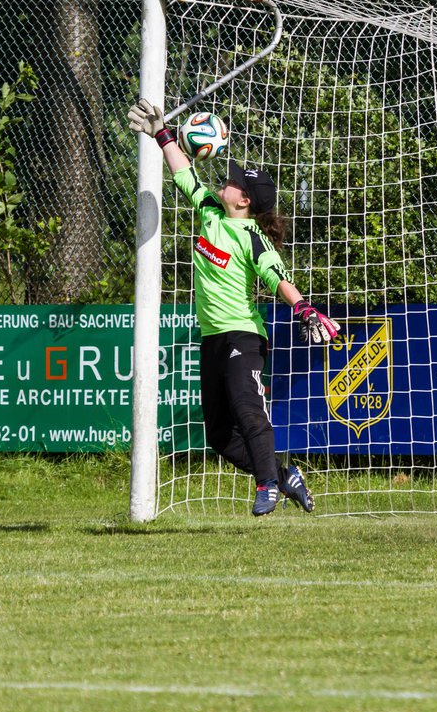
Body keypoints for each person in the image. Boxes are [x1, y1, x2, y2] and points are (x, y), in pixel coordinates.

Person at [128, 98, 340, 516]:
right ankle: (282, 475)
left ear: (244, 201)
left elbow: (277, 276)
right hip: (212, 337)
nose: (226, 180)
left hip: (244, 335)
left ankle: (267, 486)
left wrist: (304, 308)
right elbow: (182, 171)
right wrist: (161, 134)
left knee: (249, 411)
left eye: (235, 181)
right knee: (220, 438)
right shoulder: (210, 213)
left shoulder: (251, 237)